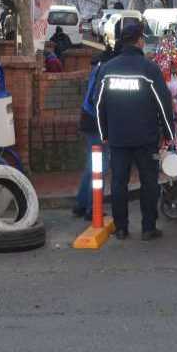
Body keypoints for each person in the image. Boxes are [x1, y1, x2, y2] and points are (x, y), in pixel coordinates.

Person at [95, 22, 175, 241]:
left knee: (119, 183)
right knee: (149, 183)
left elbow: (98, 104)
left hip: (118, 139)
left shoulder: (107, 68)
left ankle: (121, 228)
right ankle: (148, 228)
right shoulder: (149, 69)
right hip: (146, 138)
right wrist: (169, 134)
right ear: (139, 40)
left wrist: (104, 135)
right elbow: (163, 103)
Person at [73, 44, 118, 220]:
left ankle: (81, 204)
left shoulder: (98, 68)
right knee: (100, 165)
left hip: (89, 119)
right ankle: (93, 208)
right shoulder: (105, 71)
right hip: (96, 122)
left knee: (92, 165)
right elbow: (98, 100)